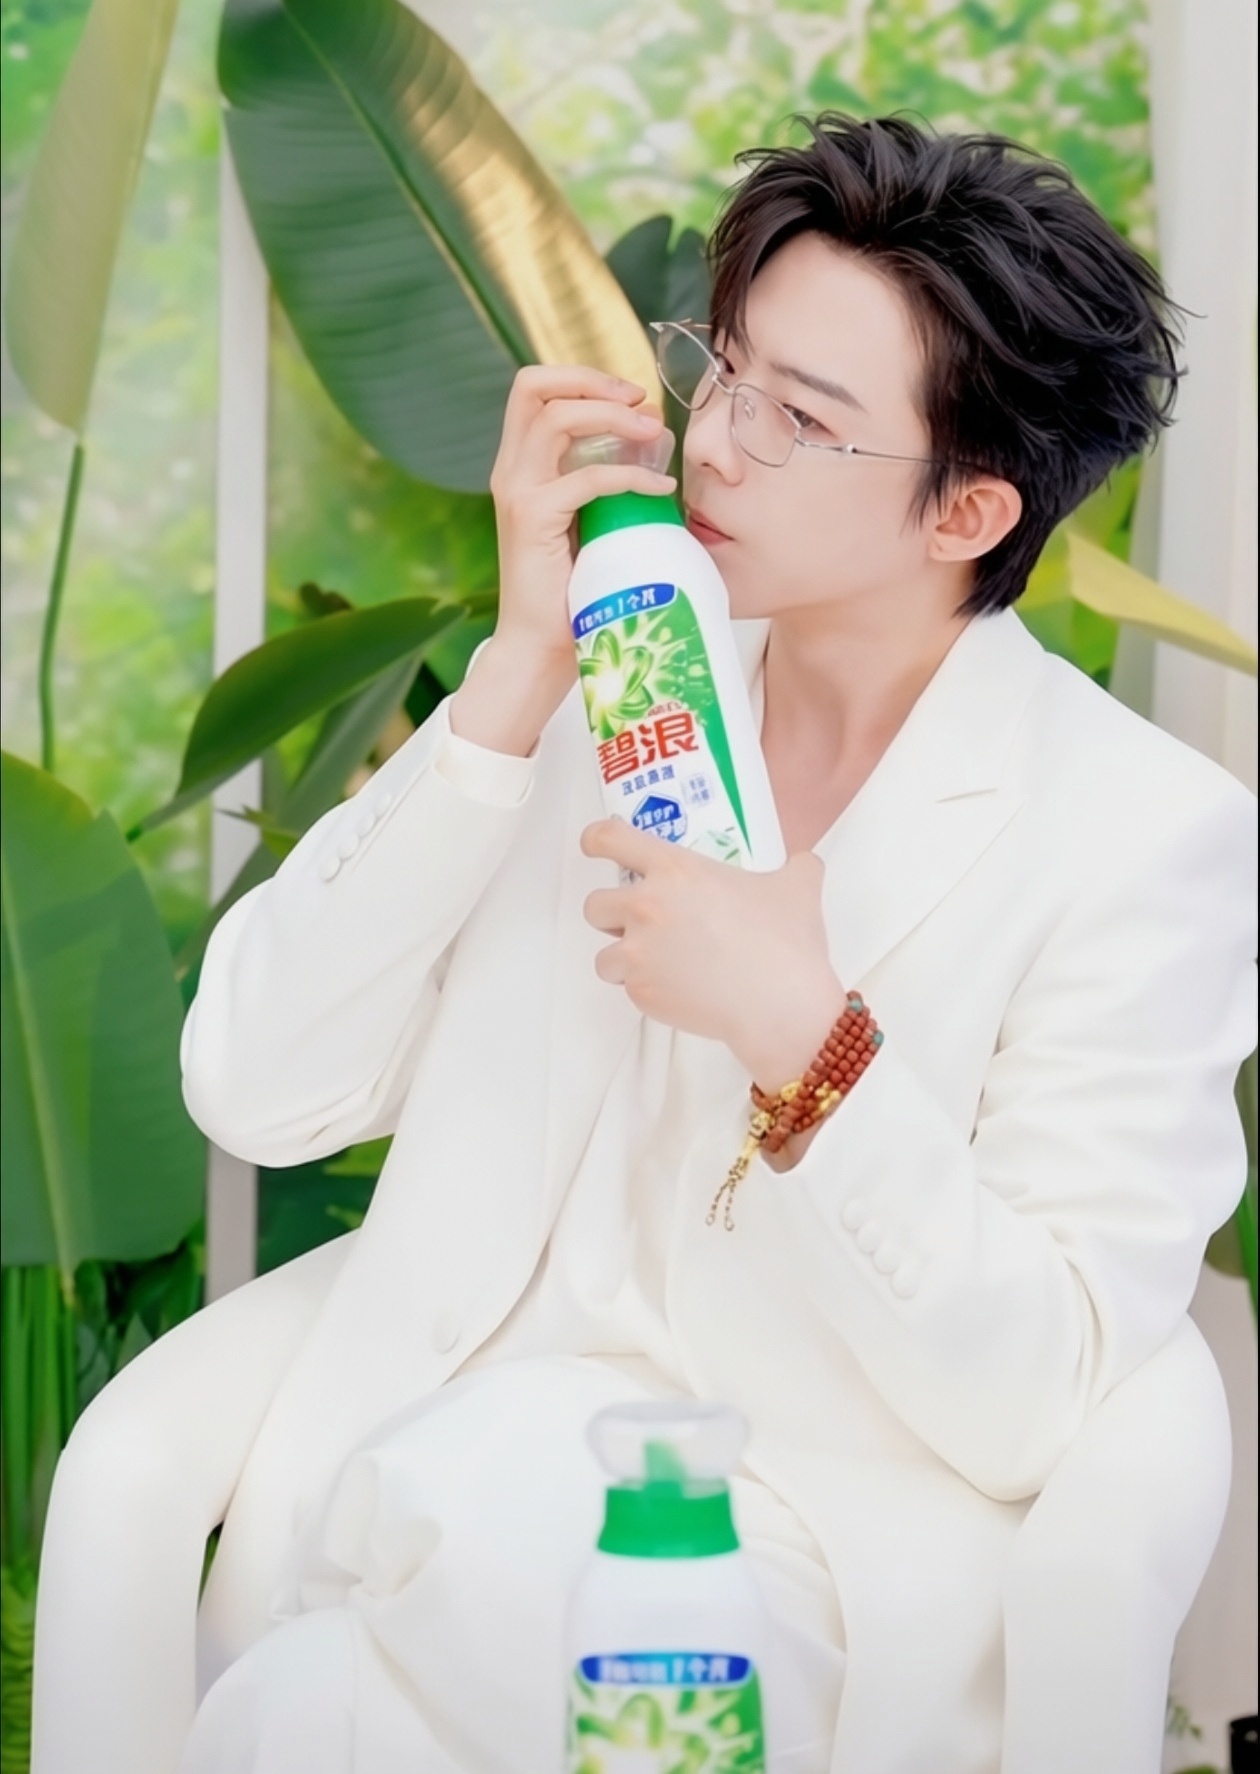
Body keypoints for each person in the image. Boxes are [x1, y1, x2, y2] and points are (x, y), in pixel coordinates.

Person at [32, 115, 1256, 1774]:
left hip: (796, 1545)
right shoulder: (617, 683)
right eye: (723, 368)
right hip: (445, 1483)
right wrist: (511, 683)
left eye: (798, 418)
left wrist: (813, 1048)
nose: (717, 444)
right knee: (336, 1679)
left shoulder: (1139, 834)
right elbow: (255, 1087)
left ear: (969, 507)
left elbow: (1045, 1388)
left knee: (344, 1689)